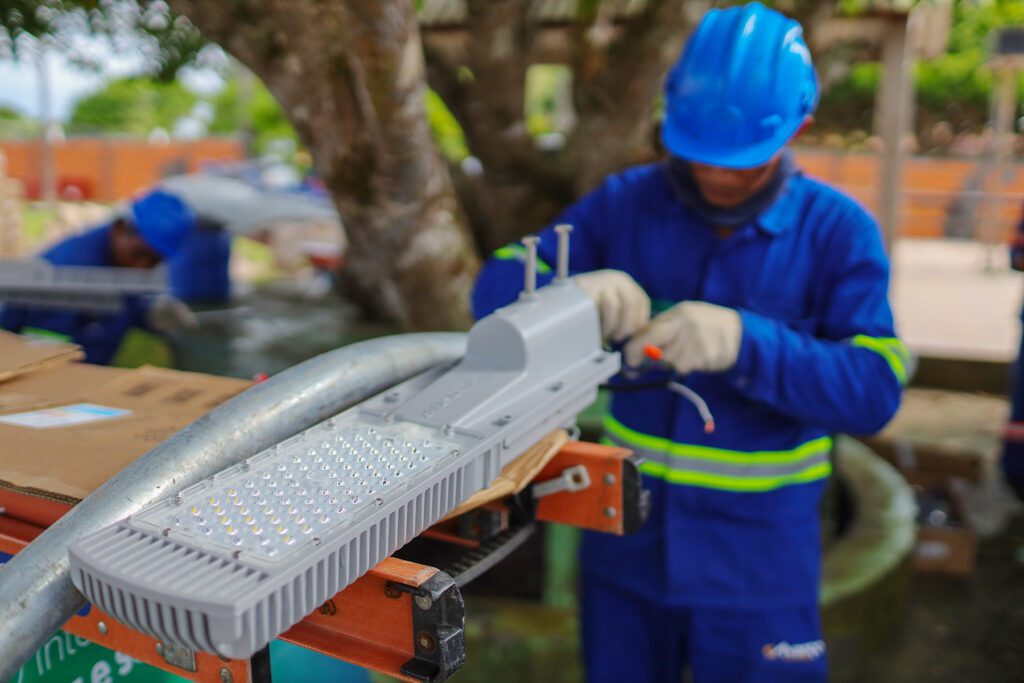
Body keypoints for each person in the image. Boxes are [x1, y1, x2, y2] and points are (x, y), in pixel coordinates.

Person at [472, 4, 908, 682]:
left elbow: (873, 391)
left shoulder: (838, 232)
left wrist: (747, 343)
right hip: (623, 556)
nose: (718, 175)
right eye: (700, 153)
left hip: (757, 570)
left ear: (799, 129)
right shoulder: (625, 204)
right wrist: (569, 296)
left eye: (743, 160)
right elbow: (492, 291)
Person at [0, 188, 198, 365]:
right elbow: (46, 356)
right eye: (140, 255)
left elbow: (127, 302)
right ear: (120, 228)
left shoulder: (119, 261)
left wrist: (150, 313)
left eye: (155, 260)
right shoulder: (71, 274)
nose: (143, 267)